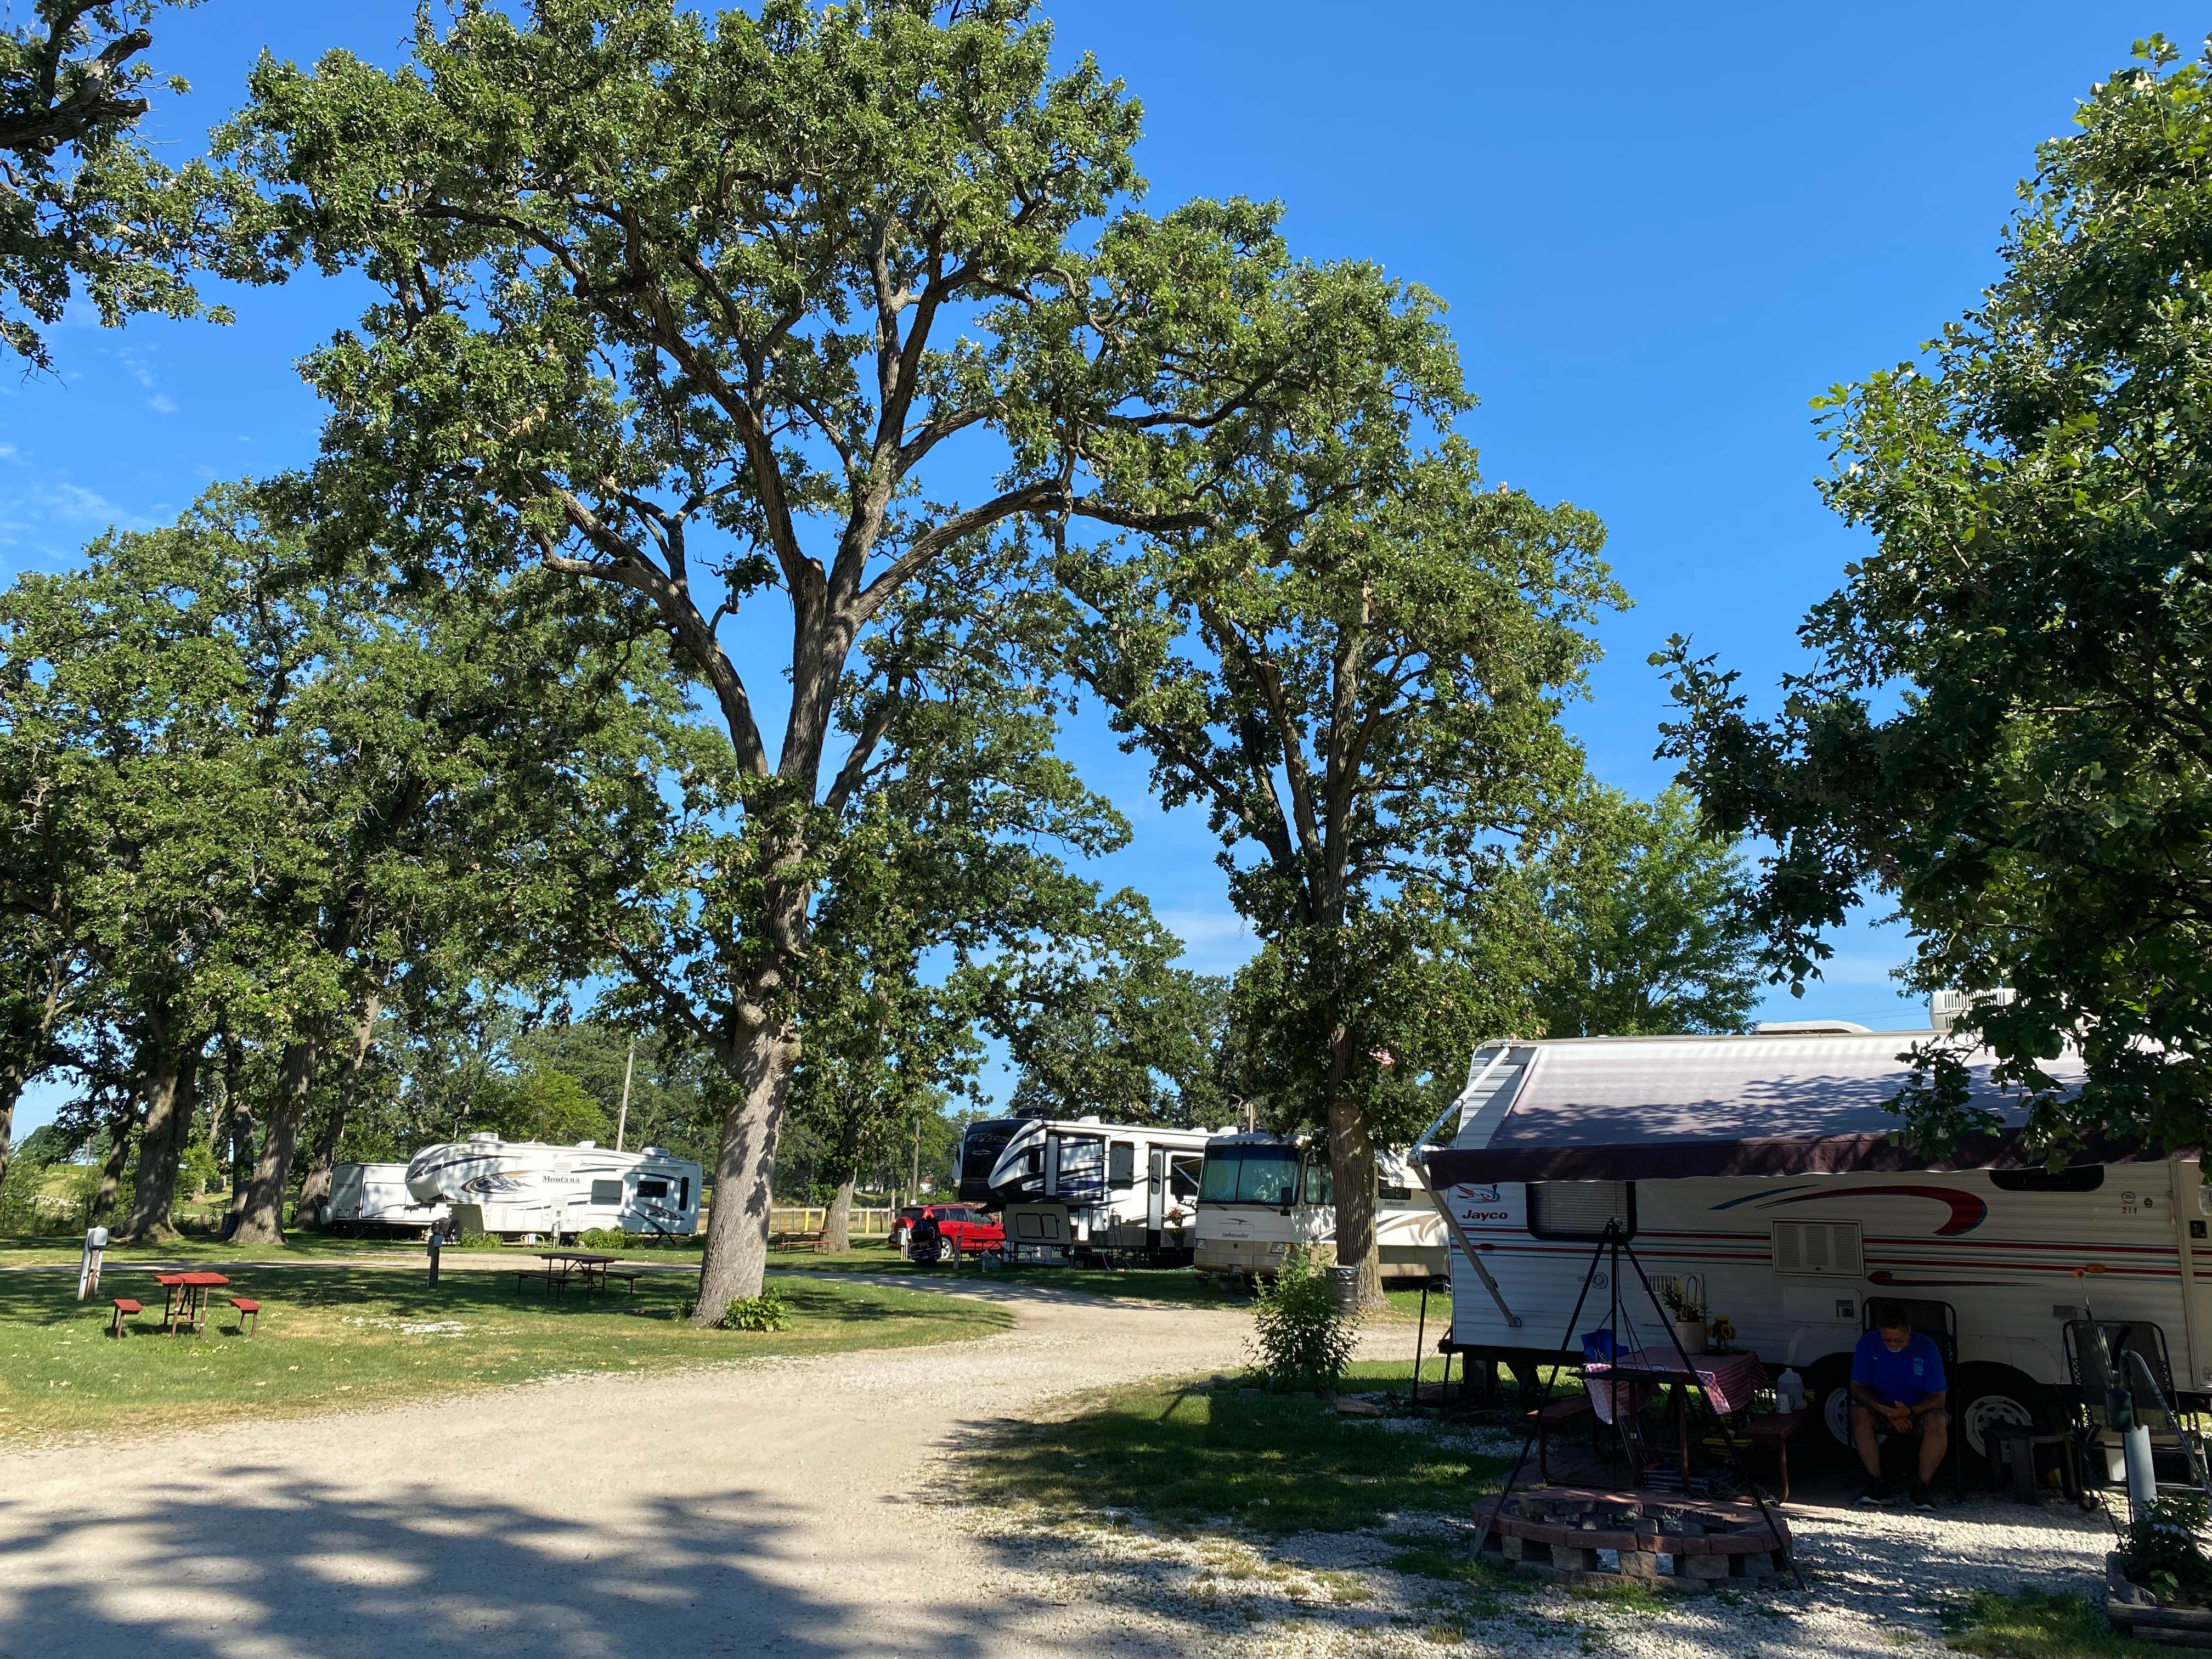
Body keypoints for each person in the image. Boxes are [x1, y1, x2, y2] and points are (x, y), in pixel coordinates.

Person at [1850, 1301, 1948, 1509]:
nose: (1893, 1344)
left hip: (1917, 1410)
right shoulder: (1867, 1344)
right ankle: (1877, 1483)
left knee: (1938, 1421)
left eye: (1899, 1340)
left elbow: (1939, 1398)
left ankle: (1922, 1486)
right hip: (1881, 1408)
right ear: (1879, 1332)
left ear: (1909, 1331)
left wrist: (1909, 1411)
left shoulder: (1927, 1348)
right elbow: (1857, 1388)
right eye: (1887, 1339)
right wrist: (1883, 1410)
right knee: (1858, 1414)